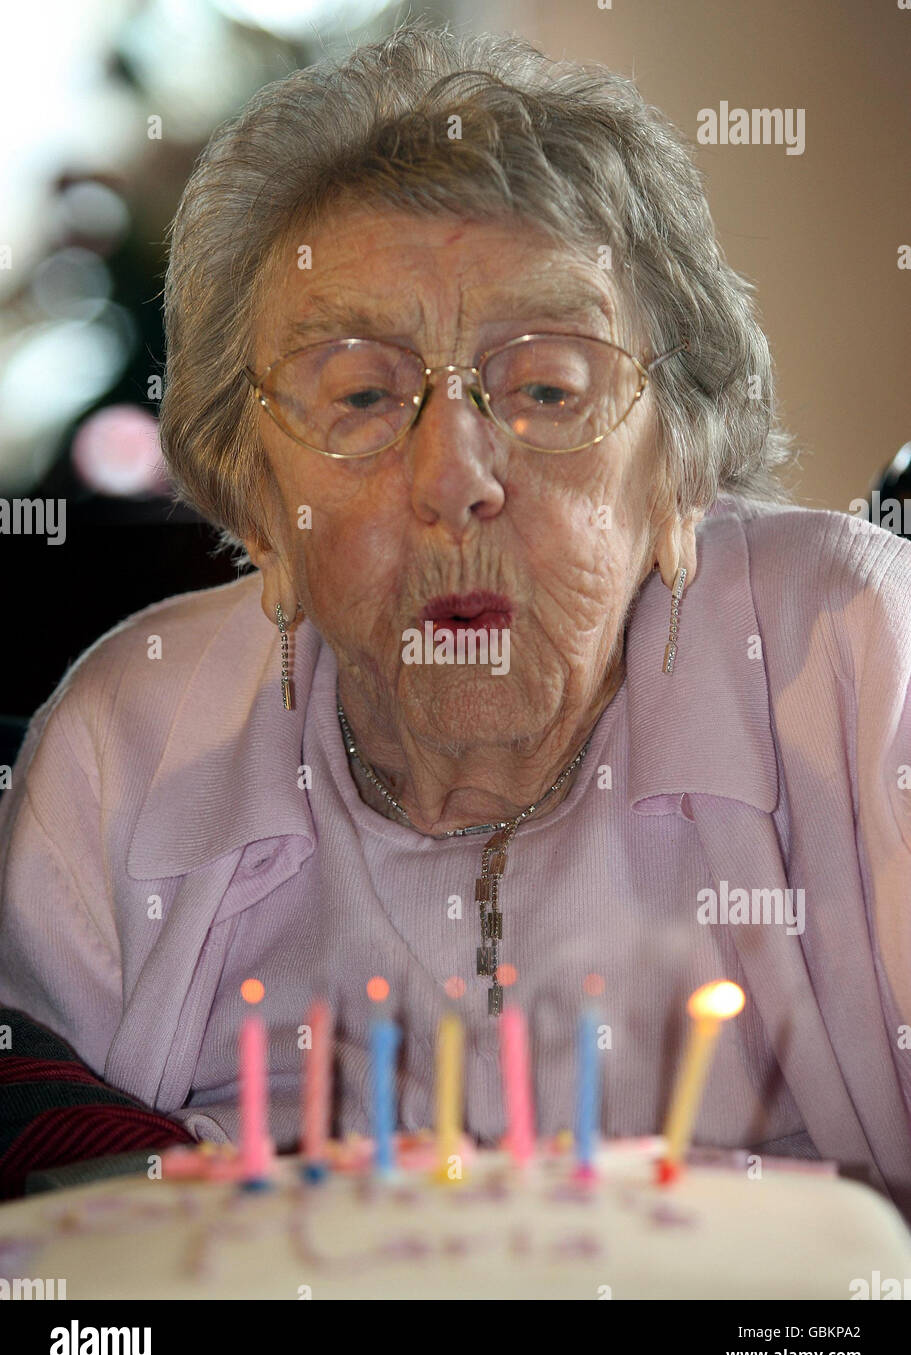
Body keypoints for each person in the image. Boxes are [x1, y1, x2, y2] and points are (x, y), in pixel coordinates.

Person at [2, 20, 910, 1213]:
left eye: (542, 386)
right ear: (261, 507)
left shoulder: (850, 653)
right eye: (362, 394)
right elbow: (60, 1245)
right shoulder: (131, 744)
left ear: (679, 472)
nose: (453, 477)